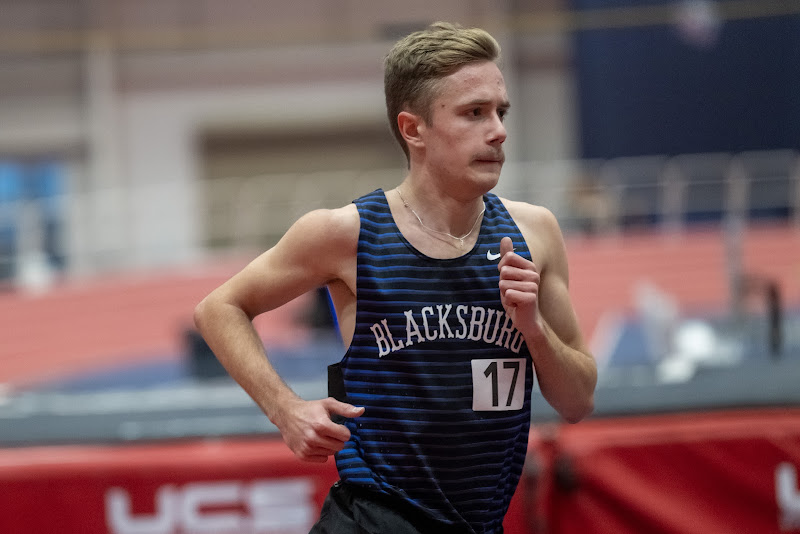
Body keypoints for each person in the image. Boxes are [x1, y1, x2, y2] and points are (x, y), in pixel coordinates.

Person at [194, 21, 596, 534]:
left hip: (479, 523)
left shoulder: (534, 233)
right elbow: (218, 308)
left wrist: (535, 331)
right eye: (474, 113)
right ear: (413, 129)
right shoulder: (347, 234)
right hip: (375, 520)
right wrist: (285, 409)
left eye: (501, 111)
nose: (497, 130)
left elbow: (578, 401)